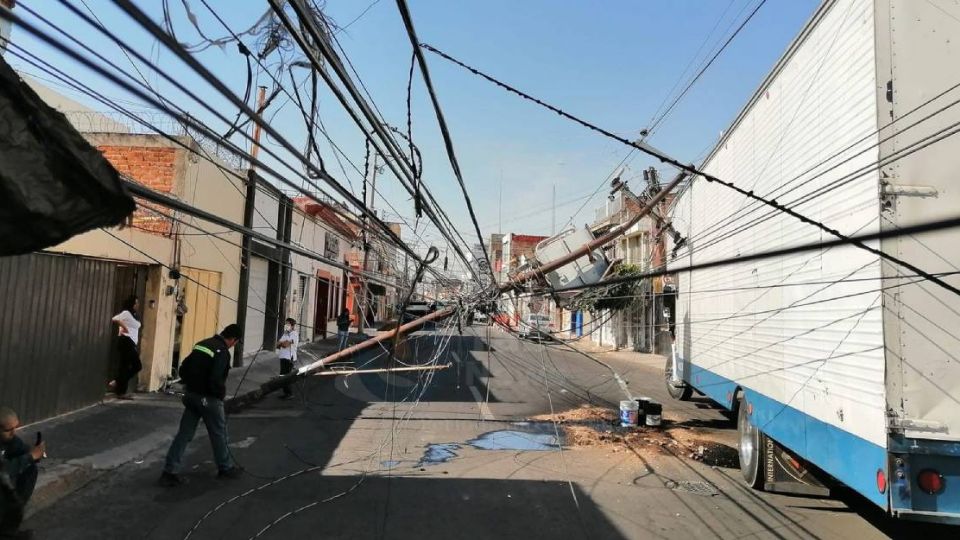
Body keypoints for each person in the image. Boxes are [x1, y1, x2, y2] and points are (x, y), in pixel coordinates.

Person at [159, 324, 243, 487]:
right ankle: (225, 468)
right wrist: (220, 395)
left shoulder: (202, 344)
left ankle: (169, 471)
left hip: (191, 396)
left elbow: (183, 369)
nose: (233, 346)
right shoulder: (222, 352)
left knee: (184, 434)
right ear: (233, 340)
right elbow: (215, 379)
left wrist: (192, 384)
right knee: (219, 433)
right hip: (208, 399)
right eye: (235, 343)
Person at [0, 407, 44, 540]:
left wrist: (37, 452)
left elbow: (22, 450)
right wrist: (30, 456)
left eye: (16, 427)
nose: (14, 432)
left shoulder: (9, 439)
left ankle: (7, 529)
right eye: (8, 429)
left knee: (29, 469)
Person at [109, 295, 143, 400]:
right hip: (126, 342)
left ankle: (120, 391)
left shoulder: (134, 315)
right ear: (131, 304)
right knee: (137, 365)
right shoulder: (126, 313)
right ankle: (117, 382)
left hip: (130, 343)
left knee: (124, 367)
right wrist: (123, 327)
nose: (137, 305)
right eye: (136, 303)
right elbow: (114, 319)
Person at [276, 318, 299, 400]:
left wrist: (283, 343)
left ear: (292, 326)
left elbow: (285, 344)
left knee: (286, 376)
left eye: (288, 324)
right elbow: (277, 344)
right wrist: (283, 343)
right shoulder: (285, 334)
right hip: (282, 356)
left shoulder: (294, 334)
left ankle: (289, 393)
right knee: (282, 375)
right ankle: (286, 393)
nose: (286, 325)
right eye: (286, 324)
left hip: (289, 358)